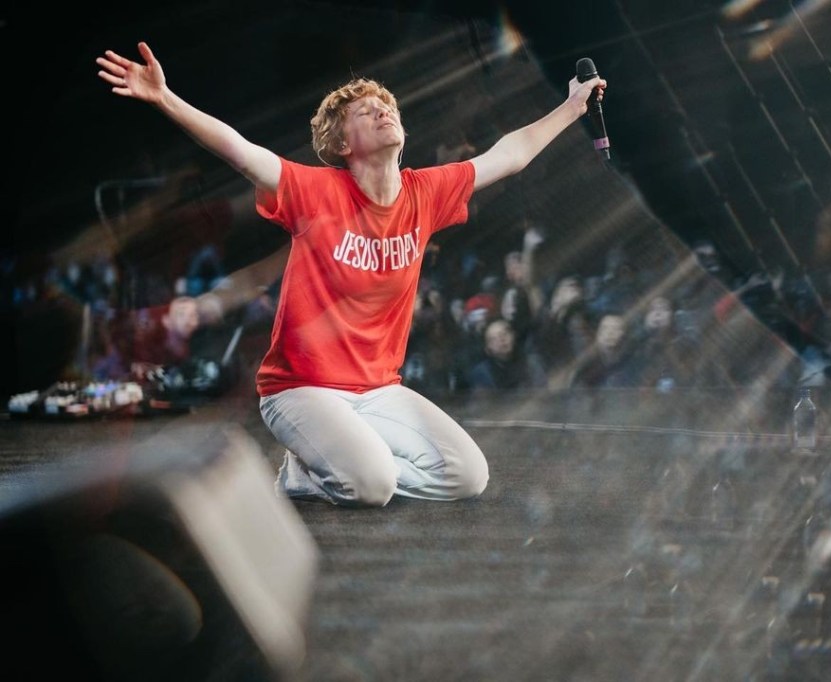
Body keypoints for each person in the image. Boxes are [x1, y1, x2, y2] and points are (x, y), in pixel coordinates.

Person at [98, 41, 606, 507]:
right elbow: (239, 150)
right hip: (300, 389)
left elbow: (510, 154)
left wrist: (573, 106)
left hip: (378, 389)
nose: (384, 110)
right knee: (372, 486)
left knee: (468, 476)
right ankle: (310, 474)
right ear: (343, 143)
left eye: (388, 106)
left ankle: (338, 463)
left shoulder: (425, 193)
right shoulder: (317, 191)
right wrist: (165, 98)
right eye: (367, 111)